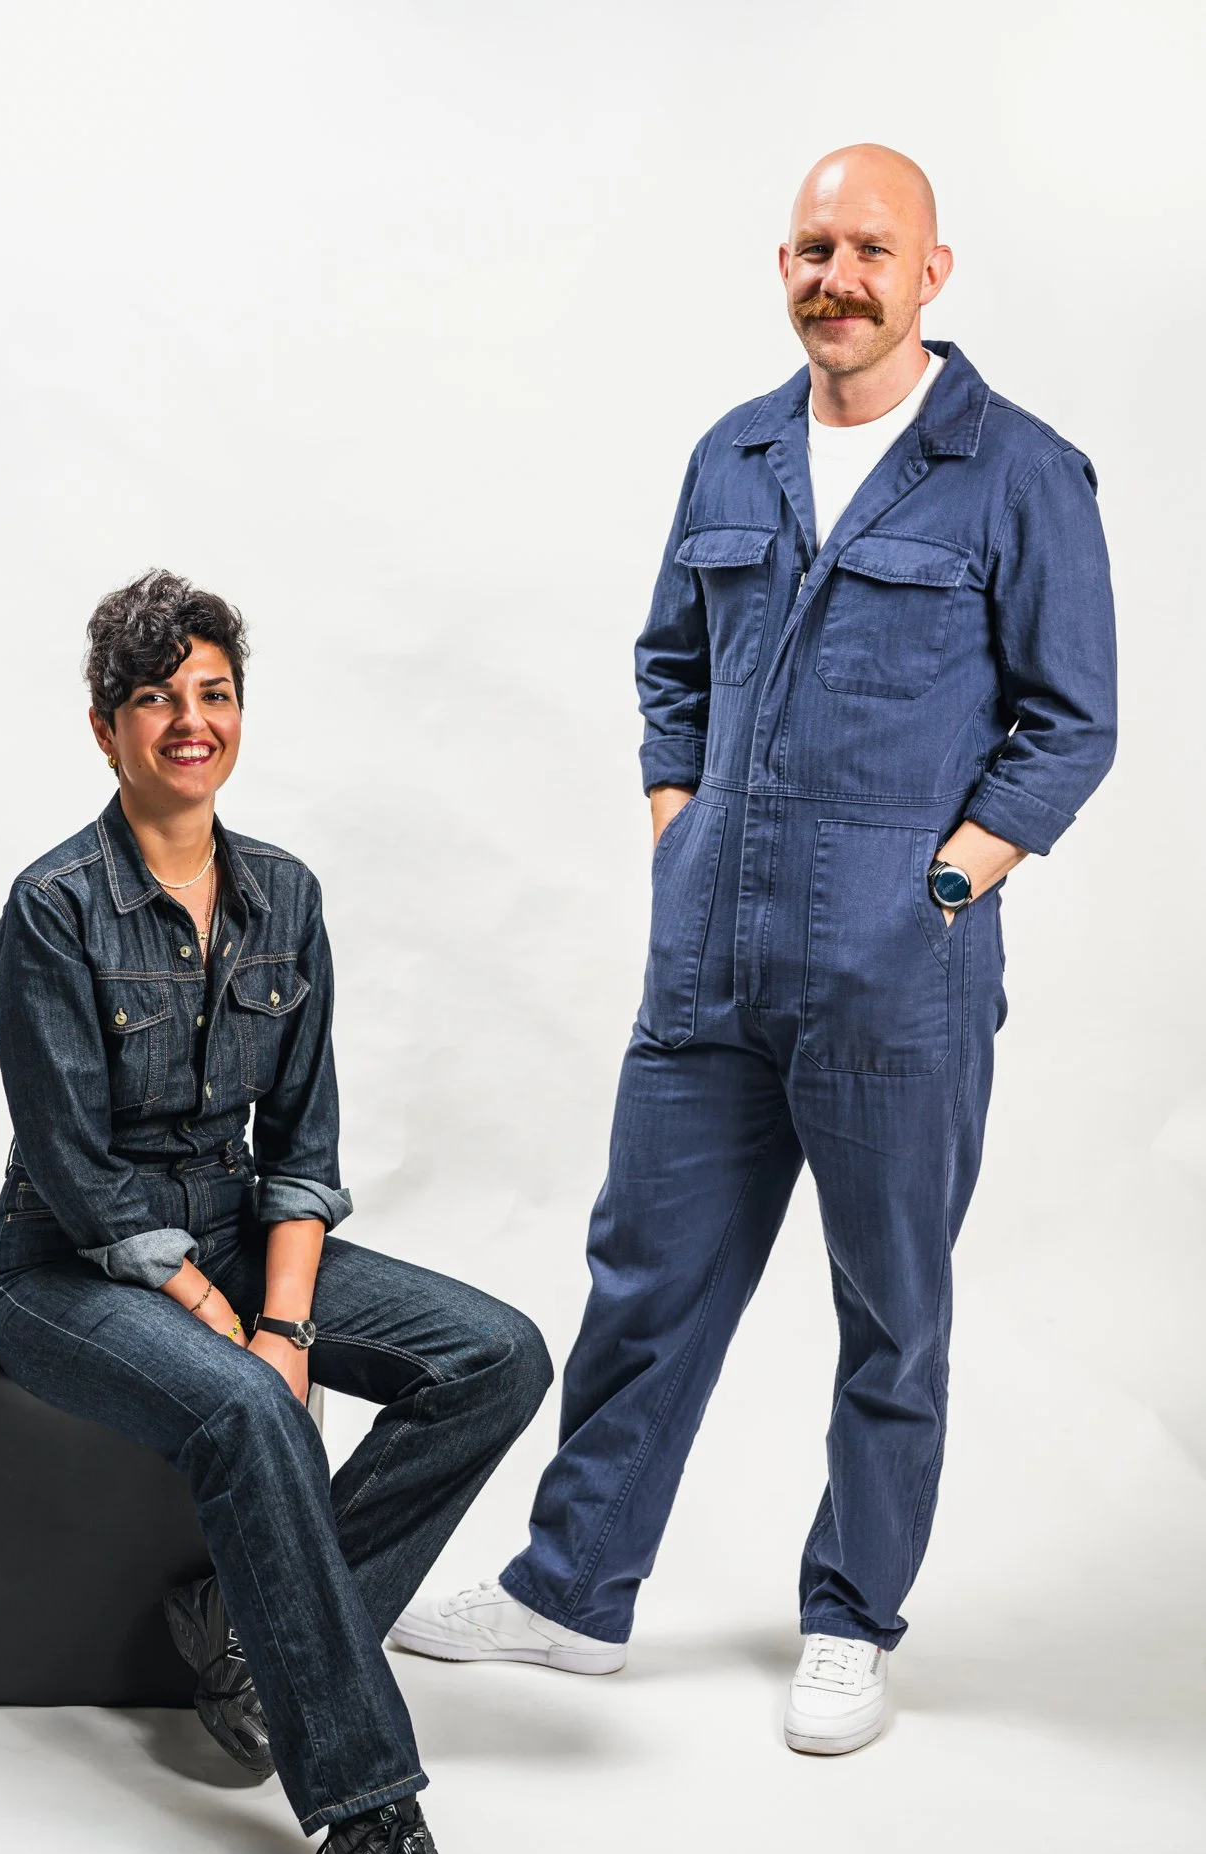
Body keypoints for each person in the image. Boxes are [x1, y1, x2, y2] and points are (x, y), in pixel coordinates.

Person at [390, 144, 1117, 1756]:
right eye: (809, 246)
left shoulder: (1022, 476)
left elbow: (1072, 726)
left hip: (897, 992)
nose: (834, 275)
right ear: (780, 264)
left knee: (891, 1313)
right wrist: (677, 827)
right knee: (643, 1283)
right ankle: (571, 1591)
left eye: (870, 247)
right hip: (706, 966)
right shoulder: (731, 457)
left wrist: (940, 894)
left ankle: (852, 1618)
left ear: (933, 271)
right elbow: (670, 664)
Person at [0, 570, 552, 1854]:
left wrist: (285, 1313)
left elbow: (302, 1148)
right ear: (106, 728)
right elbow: (79, 1177)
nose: (192, 721)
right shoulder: (52, 908)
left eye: (214, 693)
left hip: (242, 1231)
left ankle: (253, 1641)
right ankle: (369, 1824)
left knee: (497, 1353)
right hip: (68, 1266)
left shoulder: (284, 895)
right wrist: (236, 1332)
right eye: (158, 698)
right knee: (246, 1408)